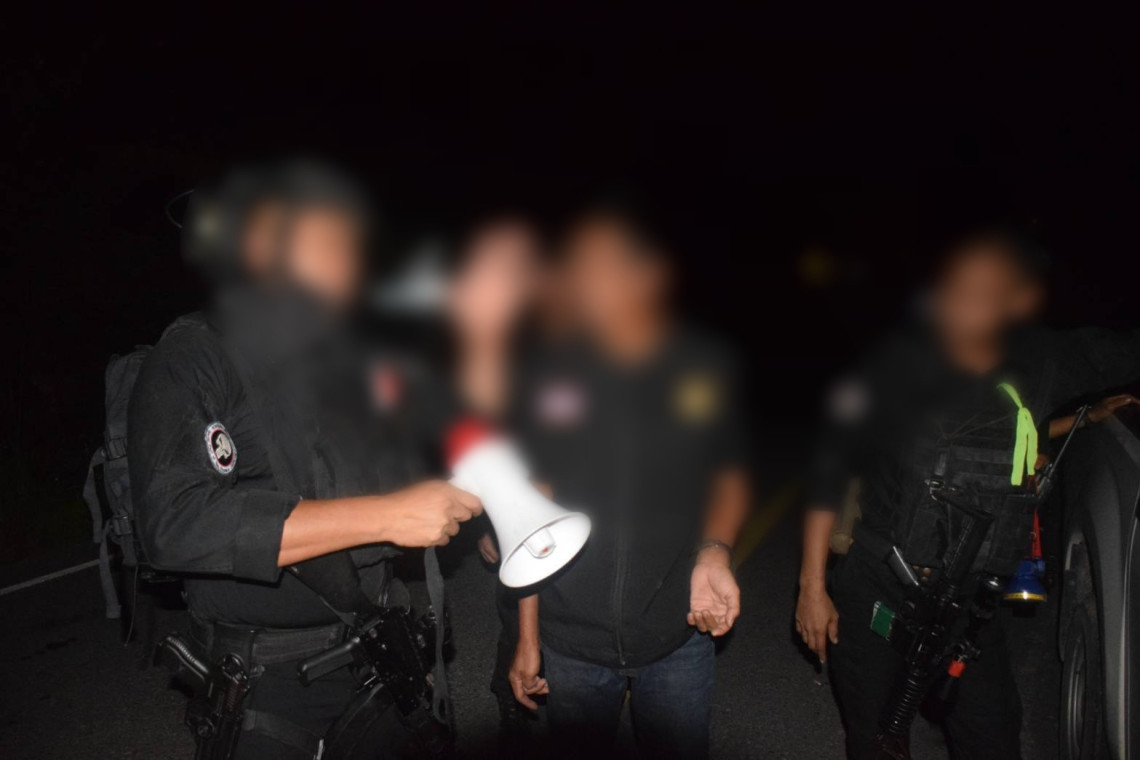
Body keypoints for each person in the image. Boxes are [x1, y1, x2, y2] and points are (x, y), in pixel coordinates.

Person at [129, 161, 482, 759]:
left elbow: (389, 488)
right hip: (268, 684)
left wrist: (472, 497)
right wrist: (387, 516)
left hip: (378, 652)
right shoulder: (192, 356)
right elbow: (176, 523)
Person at [794, 228, 1140, 759]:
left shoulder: (1042, 360)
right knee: (876, 737)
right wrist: (812, 589)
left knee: (993, 736)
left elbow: (1010, 433)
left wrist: (1086, 418)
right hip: (879, 583)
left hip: (967, 602)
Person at [506, 204, 751, 759]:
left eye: (605, 266)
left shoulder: (702, 366)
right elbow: (534, 509)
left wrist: (715, 551)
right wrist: (528, 636)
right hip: (571, 640)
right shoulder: (552, 374)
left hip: (676, 633)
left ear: (651, 273)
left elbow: (727, 474)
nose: (587, 283)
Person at [441, 216, 544, 751]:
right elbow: (476, 441)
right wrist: (488, 520)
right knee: (518, 611)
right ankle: (511, 700)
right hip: (514, 511)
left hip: (567, 505)